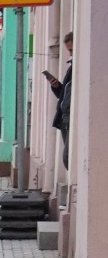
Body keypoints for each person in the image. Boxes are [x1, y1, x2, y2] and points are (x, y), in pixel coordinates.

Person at [50, 32, 73, 170]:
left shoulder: (76, 66)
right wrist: (57, 87)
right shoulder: (71, 67)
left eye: (71, 49)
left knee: (67, 158)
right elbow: (65, 94)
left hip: (69, 118)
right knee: (68, 157)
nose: (70, 53)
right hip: (65, 118)